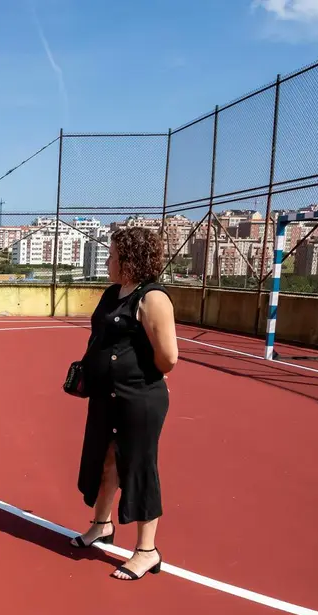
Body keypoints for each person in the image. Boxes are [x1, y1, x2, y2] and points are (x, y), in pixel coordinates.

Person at [71, 226, 178, 581]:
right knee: (105, 460)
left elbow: (168, 358)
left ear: (131, 260)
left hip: (139, 399)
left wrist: (133, 374)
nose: (108, 261)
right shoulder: (113, 293)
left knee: (139, 467)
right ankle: (101, 525)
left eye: (114, 256)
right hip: (105, 397)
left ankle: (147, 550)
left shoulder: (153, 299)